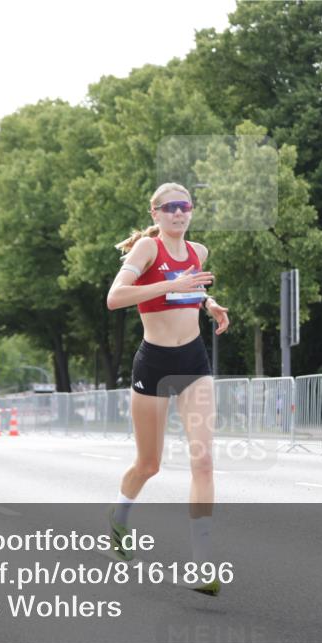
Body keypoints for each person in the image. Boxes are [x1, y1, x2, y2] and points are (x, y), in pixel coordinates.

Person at [106, 183, 230, 596]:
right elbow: (115, 297)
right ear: (155, 213)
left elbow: (191, 289)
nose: (179, 214)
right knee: (149, 464)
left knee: (204, 461)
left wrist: (207, 304)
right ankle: (120, 517)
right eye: (170, 208)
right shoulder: (146, 251)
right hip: (154, 364)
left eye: (185, 207)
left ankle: (203, 563)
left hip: (193, 362)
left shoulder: (200, 252)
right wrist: (169, 286)